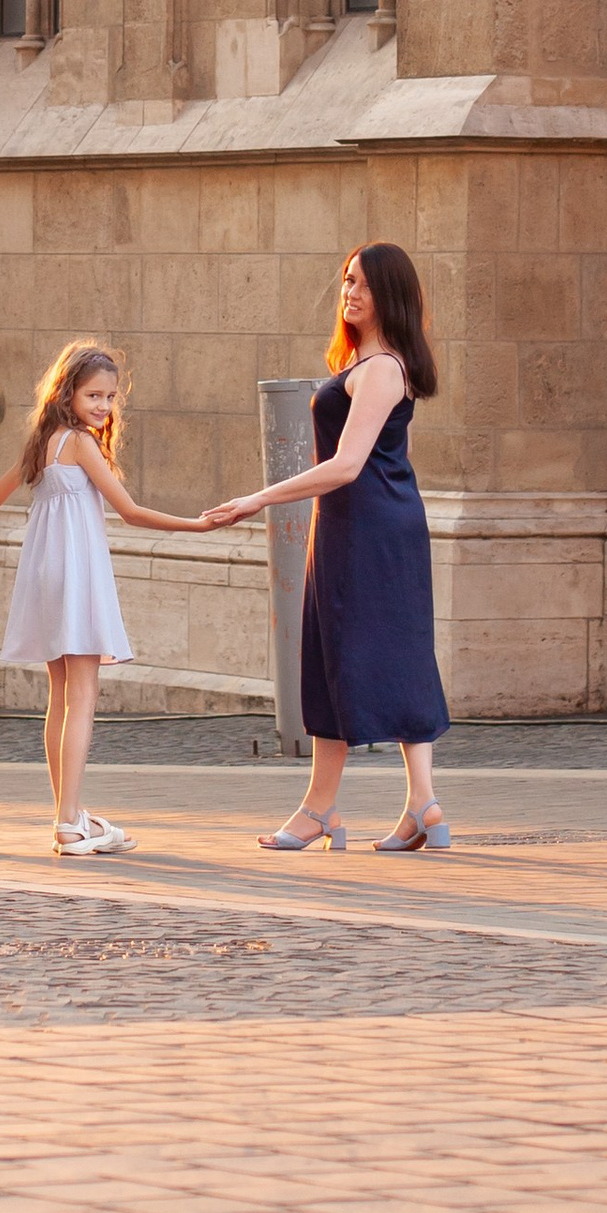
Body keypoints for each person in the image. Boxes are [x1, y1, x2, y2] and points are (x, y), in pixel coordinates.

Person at [209, 240, 450, 853]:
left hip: (363, 528)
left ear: (389, 295)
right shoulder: (381, 367)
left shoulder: (380, 369)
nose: (350, 293)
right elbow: (393, 460)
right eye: (346, 280)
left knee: (337, 656)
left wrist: (259, 498)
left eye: (364, 285)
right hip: (378, 524)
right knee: (394, 652)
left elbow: (346, 466)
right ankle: (421, 803)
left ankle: (322, 808)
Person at [0, 340, 210, 857]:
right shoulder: (79, 442)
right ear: (68, 393)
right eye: (94, 396)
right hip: (76, 574)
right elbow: (130, 511)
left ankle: (70, 814)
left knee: (60, 696)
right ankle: (68, 822)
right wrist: (195, 525)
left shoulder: (44, 441)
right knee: (81, 697)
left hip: (44, 575)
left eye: (110, 398)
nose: (103, 407)